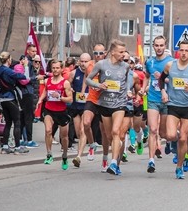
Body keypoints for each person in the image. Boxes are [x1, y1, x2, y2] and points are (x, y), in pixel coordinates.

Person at [85, 39, 135, 176]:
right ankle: (116, 161)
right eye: (121, 52)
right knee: (108, 136)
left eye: (124, 51)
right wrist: (99, 85)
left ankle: (113, 163)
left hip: (119, 104)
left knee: (115, 132)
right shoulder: (101, 64)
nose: (123, 54)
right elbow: (88, 79)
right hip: (104, 103)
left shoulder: (125, 66)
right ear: (112, 52)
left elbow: (126, 82)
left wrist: (128, 93)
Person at [159, 40, 188, 179]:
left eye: (187, 50)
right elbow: (161, 80)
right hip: (173, 104)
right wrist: (163, 92)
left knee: (184, 138)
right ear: (178, 51)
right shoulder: (170, 65)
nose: (184, 53)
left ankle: (179, 167)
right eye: (182, 50)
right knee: (171, 135)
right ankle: (175, 144)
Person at [141, 36, 174, 174]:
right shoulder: (150, 62)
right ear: (153, 46)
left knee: (164, 133)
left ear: (165, 46)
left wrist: (163, 78)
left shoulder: (171, 62)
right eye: (156, 45)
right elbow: (147, 76)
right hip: (153, 99)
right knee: (153, 130)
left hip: (167, 100)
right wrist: (143, 88)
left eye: (161, 45)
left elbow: (174, 79)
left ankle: (173, 140)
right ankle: (151, 160)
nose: (159, 48)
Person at [38, 59, 73, 170]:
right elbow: (45, 91)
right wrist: (40, 100)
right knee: (48, 130)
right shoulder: (47, 81)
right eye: (53, 68)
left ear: (61, 69)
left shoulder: (65, 83)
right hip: (49, 110)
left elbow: (70, 99)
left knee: (64, 137)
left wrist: (60, 97)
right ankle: (49, 154)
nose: (55, 70)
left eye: (57, 68)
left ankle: (65, 156)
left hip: (61, 112)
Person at [0, 52, 28, 154]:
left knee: (8, 123)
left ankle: (5, 147)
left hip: (2, 98)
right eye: (11, 59)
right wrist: (25, 67)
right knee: (17, 122)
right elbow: (21, 77)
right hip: (10, 97)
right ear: (8, 60)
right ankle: (17, 148)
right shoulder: (7, 70)